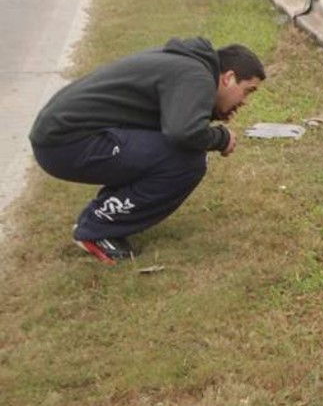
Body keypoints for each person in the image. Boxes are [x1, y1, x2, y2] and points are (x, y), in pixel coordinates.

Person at [28, 38, 265, 265]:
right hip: (65, 143)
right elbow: (184, 132)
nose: (245, 101)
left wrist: (211, 114)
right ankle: (97, 229)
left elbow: (170, 122)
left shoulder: (187, 66)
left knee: (169, 152)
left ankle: (102, 216)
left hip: (61, 137)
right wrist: (221, 138)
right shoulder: (197, 76)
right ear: (229, 78)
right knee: (187, 160)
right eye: (248, 91)